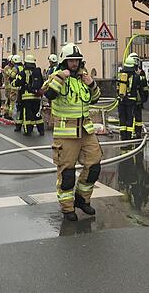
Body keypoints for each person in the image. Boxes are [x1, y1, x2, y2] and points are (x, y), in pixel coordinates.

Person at [45, 43, 102, 221]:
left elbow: (95, 98)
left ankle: (82, 199)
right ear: (64, 61)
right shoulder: (57, 76)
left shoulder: (82, 78)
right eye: (71, 60)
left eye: (77, 60)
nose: (74, 63)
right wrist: (61, 77)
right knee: (67, 174)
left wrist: (91, 84)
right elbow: (49, 94)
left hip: (85, 129)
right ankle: (67, 208)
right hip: (66, 133)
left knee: (94, 166)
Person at [16, 54, 44, 136]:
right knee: (37, 114)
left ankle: (28, 130)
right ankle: (41, 130)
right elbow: (42, 83)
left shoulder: (23, 73)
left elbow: (18, 82)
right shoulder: (37, 72)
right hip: (37, 97)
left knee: (27, 115)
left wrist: (12, 82)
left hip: (26, 97)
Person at [116, 56, 143, 140]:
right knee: (130, 117)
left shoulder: (120, 75)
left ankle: (123, 135)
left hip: (121, 99)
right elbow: (140, 86)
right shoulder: (136, 76)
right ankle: (129, 135)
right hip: (131, 101)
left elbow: (117, 87)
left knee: (122, 118)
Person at [4, 55, 21, 128]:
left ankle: (7, 113)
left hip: (12, 87)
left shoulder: (13, 68)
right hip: (8, 87)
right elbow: (11, 75)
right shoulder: (7, 68)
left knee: (10, 101)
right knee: (10, 101)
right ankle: (8, 114)